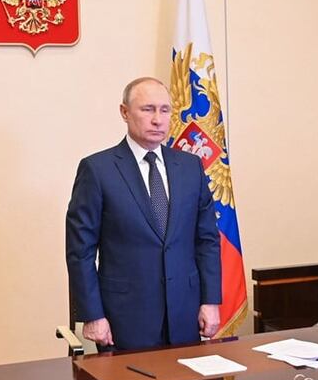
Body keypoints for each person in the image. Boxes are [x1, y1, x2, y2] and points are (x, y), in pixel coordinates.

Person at [65, 77, 221, 350]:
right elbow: (80, 251)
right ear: (125, 112)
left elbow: (207, 239)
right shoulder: (98, 170)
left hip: (185, 314)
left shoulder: (190, 167)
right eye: (148, 109)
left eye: (165, 110)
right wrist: (93, 315)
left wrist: (210, 300)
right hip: (124, 319)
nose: (158, 119)